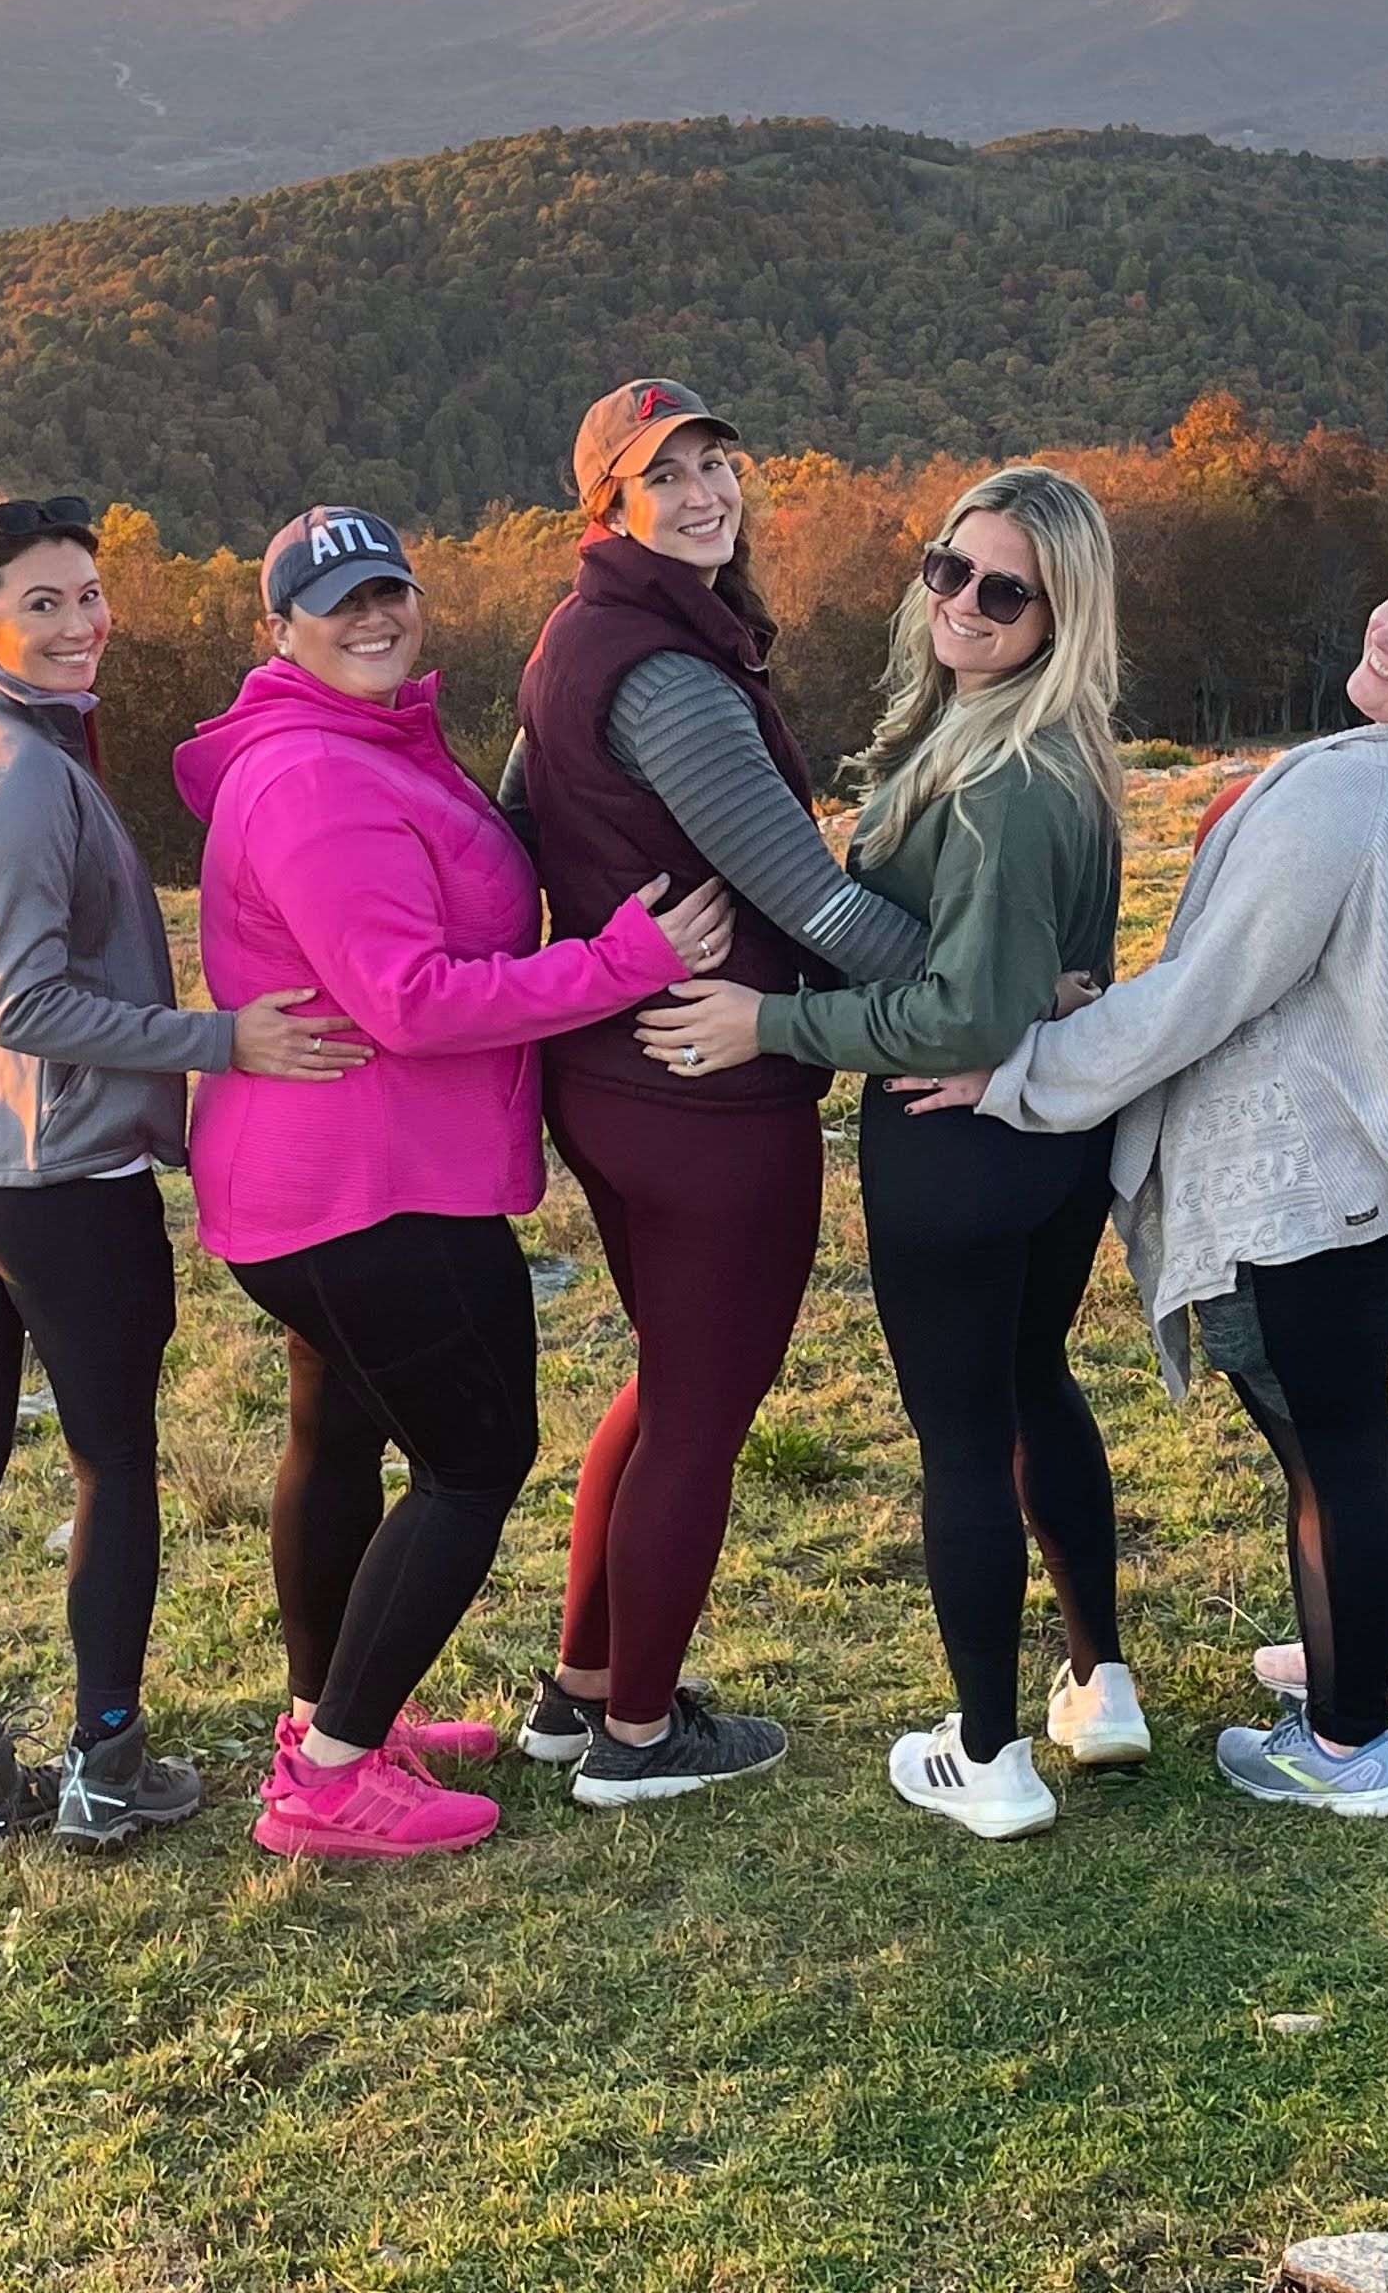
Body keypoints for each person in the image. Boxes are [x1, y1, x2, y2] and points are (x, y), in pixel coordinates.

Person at [907, 542, 1388, 1817]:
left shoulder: (1346, 798)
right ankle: (1387, 1643)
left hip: (1339, 1164)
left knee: (1323, 1423)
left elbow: (1204, 994)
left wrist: (1025, 1074)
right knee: (1337, 1403)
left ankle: (1348, 1746)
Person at [175, 504, 737, 1858]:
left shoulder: (362, 746)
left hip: (324, 1180)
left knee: (343, 1436)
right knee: (475, 1458)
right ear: (280, 633)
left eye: (389, 593)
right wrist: (623, 963)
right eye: (337, 605)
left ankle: (330, 1719)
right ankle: (332, 1781)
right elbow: (409, 999)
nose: (373, 620)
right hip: (370, 1188)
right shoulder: (315, 778)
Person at [635, 467, 1136, 1840]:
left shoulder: (1004, 778)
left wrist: (768, 1023)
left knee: (964, 1436)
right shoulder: (1037, 743)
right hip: (1051, 1135)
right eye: (946, 567)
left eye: (1004, 591)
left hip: (955, 1139)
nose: (962, 604)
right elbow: (1024, 976)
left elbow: (963, 1009)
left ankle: (986, 1754)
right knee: (1034, 1387)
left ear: (1060, 613)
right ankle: (1100, 1678)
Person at [0, 491, 366, 1875]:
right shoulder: (24, 777)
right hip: (51, 1177)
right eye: (44, 602)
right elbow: (30, 1001)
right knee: (114, 1464)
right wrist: (224, 1040)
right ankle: (105, 1762)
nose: (81, 623)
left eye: (89, 595)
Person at [505, 377, 930, 1806]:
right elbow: (807, 898)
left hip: (617, 1072)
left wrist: (594, 957)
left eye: (714, 463)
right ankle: (638, 1738)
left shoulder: (580, 636)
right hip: (704, 1085)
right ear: (609, 505)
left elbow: (516, 828)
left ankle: (580, 1691)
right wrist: (962, 994)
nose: (703, 494)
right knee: (704, 1408)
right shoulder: (668, 679)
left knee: (665, 1384)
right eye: (664, 476)